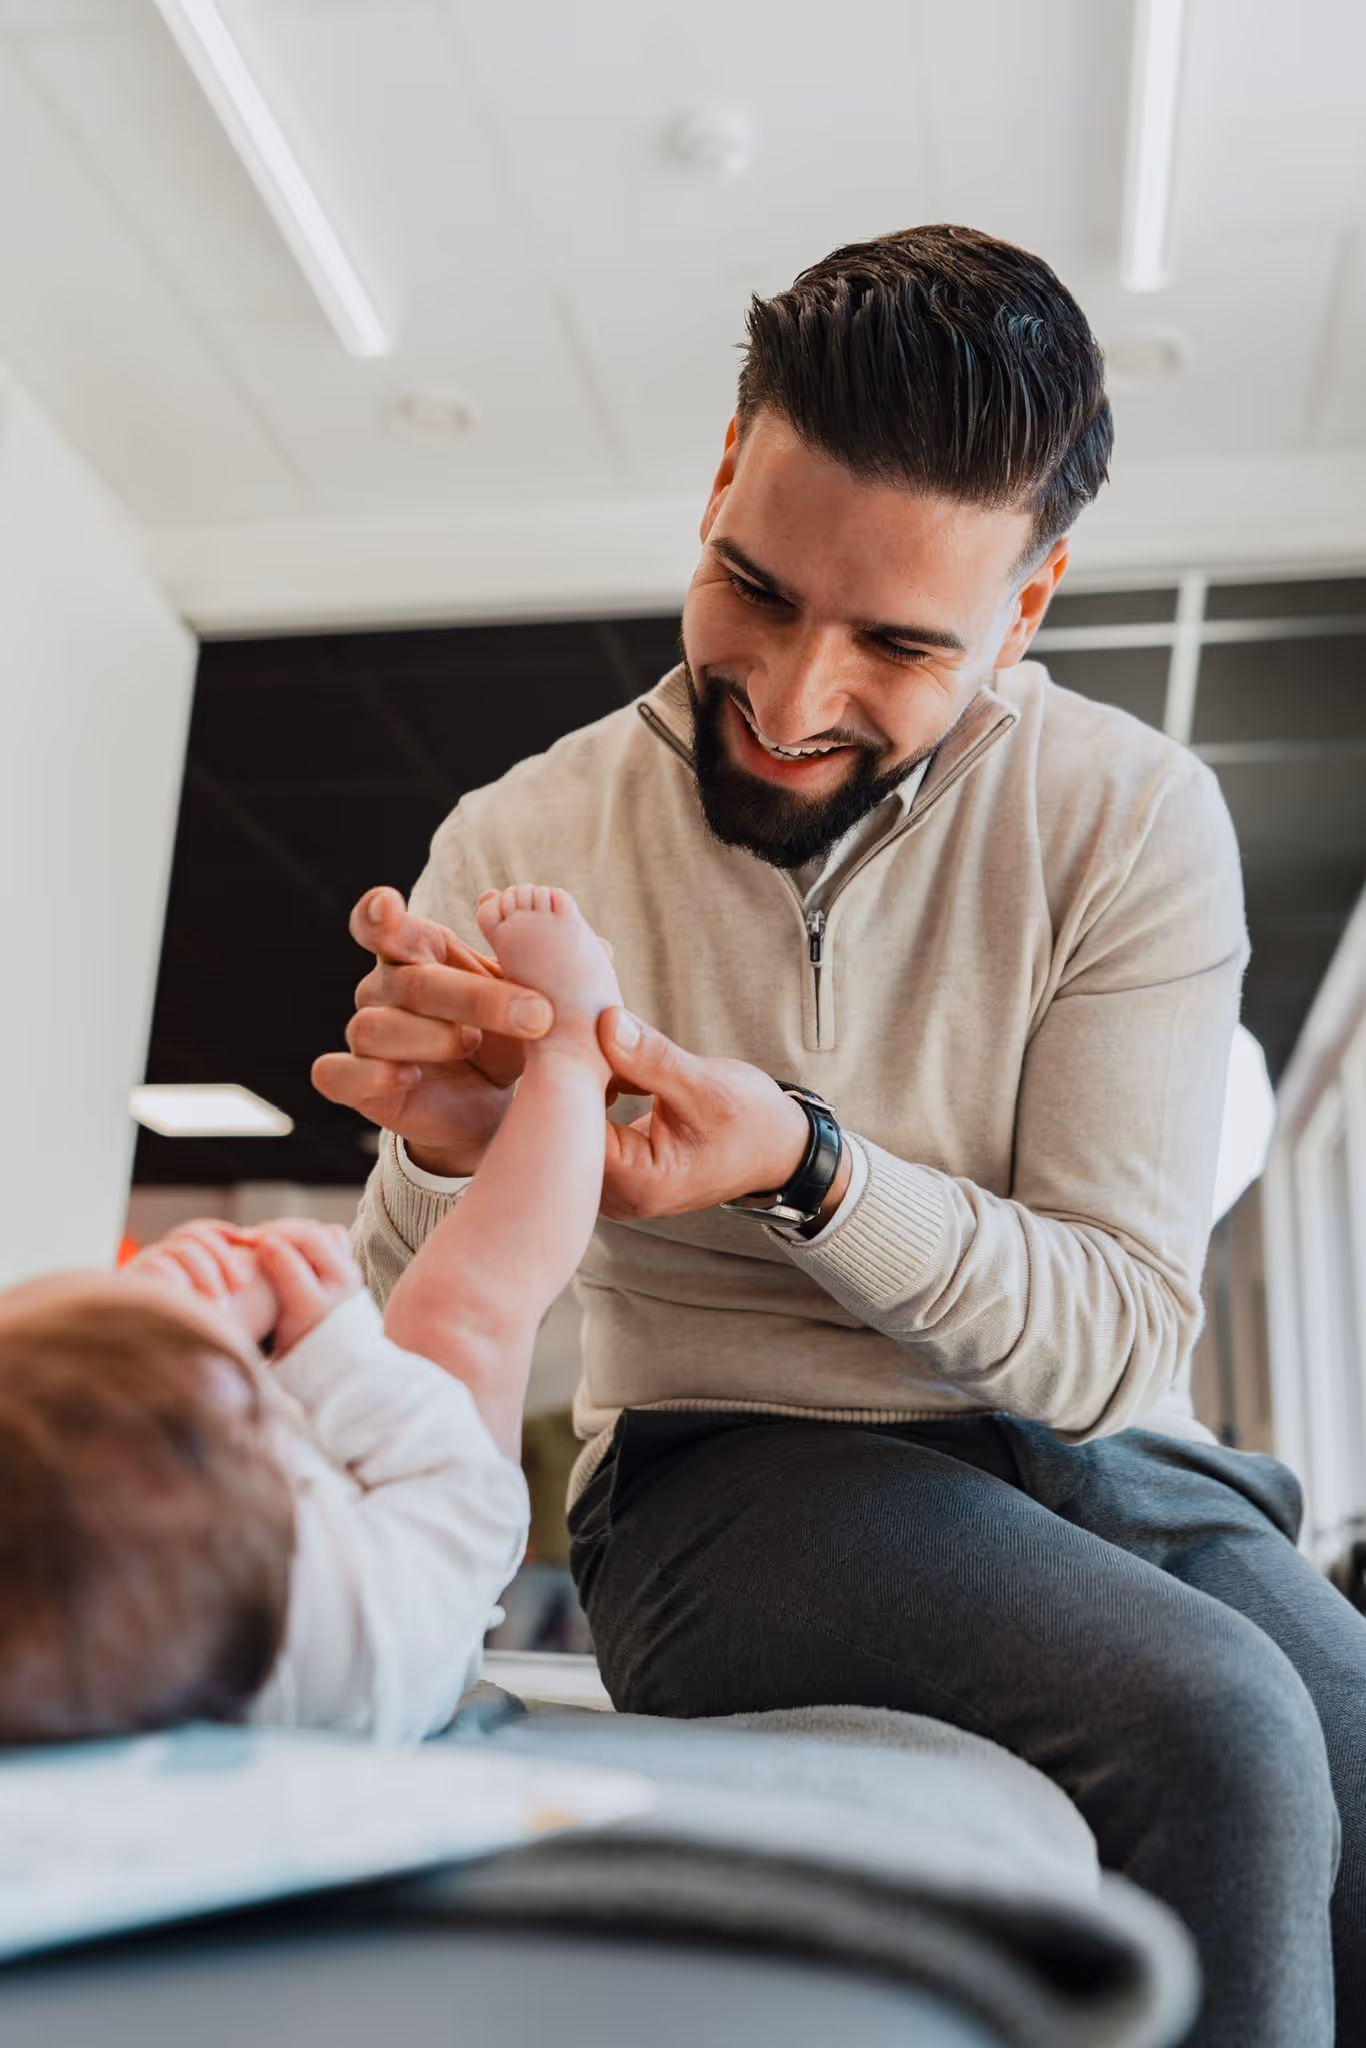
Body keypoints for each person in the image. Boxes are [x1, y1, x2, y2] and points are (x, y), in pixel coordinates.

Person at [318, 226, 1366, 2044]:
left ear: (1026, 608)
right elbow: (405, 1327)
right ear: (724, 471)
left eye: (895, 643)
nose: (792, 700)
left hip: (1103, 1457)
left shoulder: (1129, 821)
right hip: (735, 1470)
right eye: (755, 587)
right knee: (1218, 1726)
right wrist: (454, 1153)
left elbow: (1115, 1332)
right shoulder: (520, 832)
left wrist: (806, 1167)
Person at [0, 885, 620, 1747]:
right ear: (258, 1438)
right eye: (174, 1318)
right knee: (463, 1310)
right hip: (407, 1595)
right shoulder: (355, 1622)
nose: (187, 1270)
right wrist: (334, 1344)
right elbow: (450, 1476)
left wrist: (193, 1321)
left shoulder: (98, 1592)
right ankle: (574, 1058)